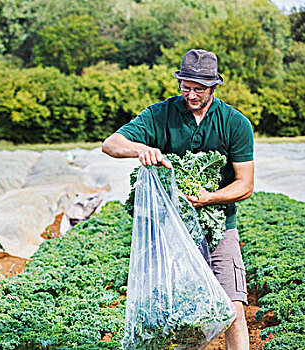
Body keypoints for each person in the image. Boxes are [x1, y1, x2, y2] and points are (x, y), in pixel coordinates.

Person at [102, 49, 253, 349]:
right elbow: (111, 144)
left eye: (199, 89)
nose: (191, 95)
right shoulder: (161, 114)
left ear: (213, 87)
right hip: (170, 230)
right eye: (186, 87)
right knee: (179, 313)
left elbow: (245, 184)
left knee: (234, 307)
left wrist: (209, 198)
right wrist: (139, 150)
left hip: (220, 225)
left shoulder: (234, 123)